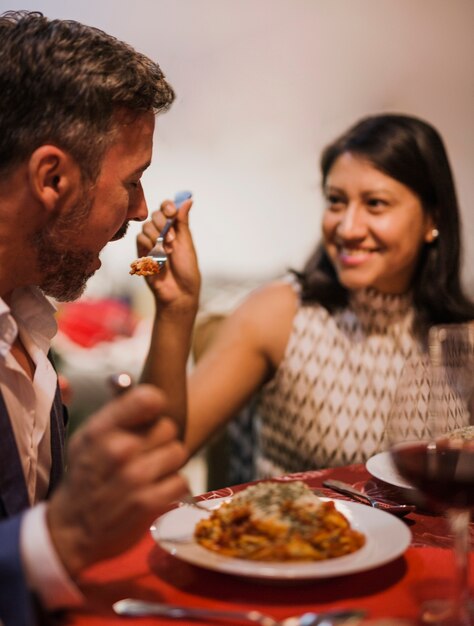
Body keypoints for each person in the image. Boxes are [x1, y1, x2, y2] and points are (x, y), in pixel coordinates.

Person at [138, 113, 474, 481]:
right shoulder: (282, 313)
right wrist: (176, 308)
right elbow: (156, 454)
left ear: (432, 219)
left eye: (375, 203)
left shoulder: (462, 337)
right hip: (297, 533)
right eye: (336, 201)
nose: (347, 228)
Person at [0, 11, 191, 626]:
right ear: (52, 177)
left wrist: (174, 308)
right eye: (132, 181)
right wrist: (64, 532)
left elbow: (149, 453)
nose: (141, 210)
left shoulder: (27, 313)